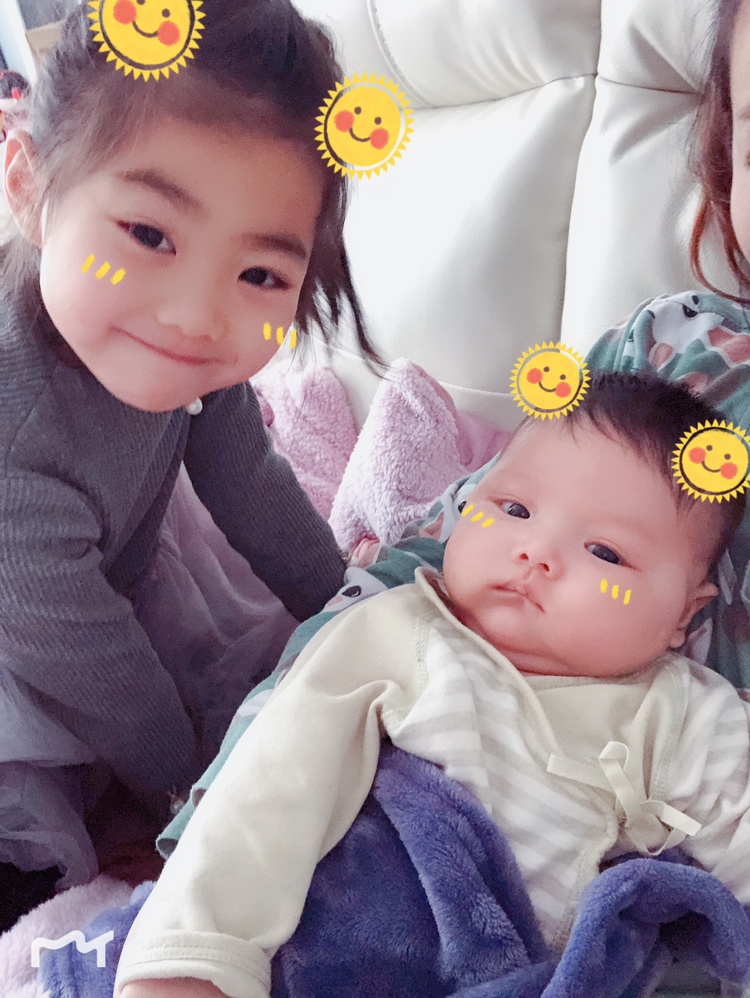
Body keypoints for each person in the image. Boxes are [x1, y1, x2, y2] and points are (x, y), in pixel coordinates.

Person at [114, 371, 750, 998]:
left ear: (686, 614)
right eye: (515, 509)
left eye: (605, 553)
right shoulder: (401, 633)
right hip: (345, 944)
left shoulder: (685, 715)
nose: (536, 552)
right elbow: (275, 782)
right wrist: (199, 952)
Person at [0, 0, 382, 926]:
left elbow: (251, 482)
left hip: (101, 578)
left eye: (260, 275)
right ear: (27, 182)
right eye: (148, 235)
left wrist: (355, 610)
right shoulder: (16, 430)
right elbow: (90, 661)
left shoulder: (193, 363)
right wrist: (195, 791)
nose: (197, 317)